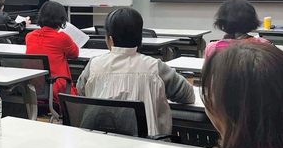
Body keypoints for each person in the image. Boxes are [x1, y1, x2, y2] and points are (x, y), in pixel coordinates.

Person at [76, 8, 195, 136]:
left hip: (99, 143)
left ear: (110, 39)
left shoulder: (93, 65)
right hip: (148, 147)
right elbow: (188, 95)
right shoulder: (155, 67)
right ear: (140, 38)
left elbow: (81, 91)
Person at [26, 1, 79, 103]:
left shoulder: (29, 36)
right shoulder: (62, 38)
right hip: (56, 89)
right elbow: (75, 54)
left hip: (34, 88)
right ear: (62, 19)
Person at [204, 0, 270, 58]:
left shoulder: (212, 48)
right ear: (252, 20)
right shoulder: (264, 45)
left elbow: (208, 70)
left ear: (222, 21)